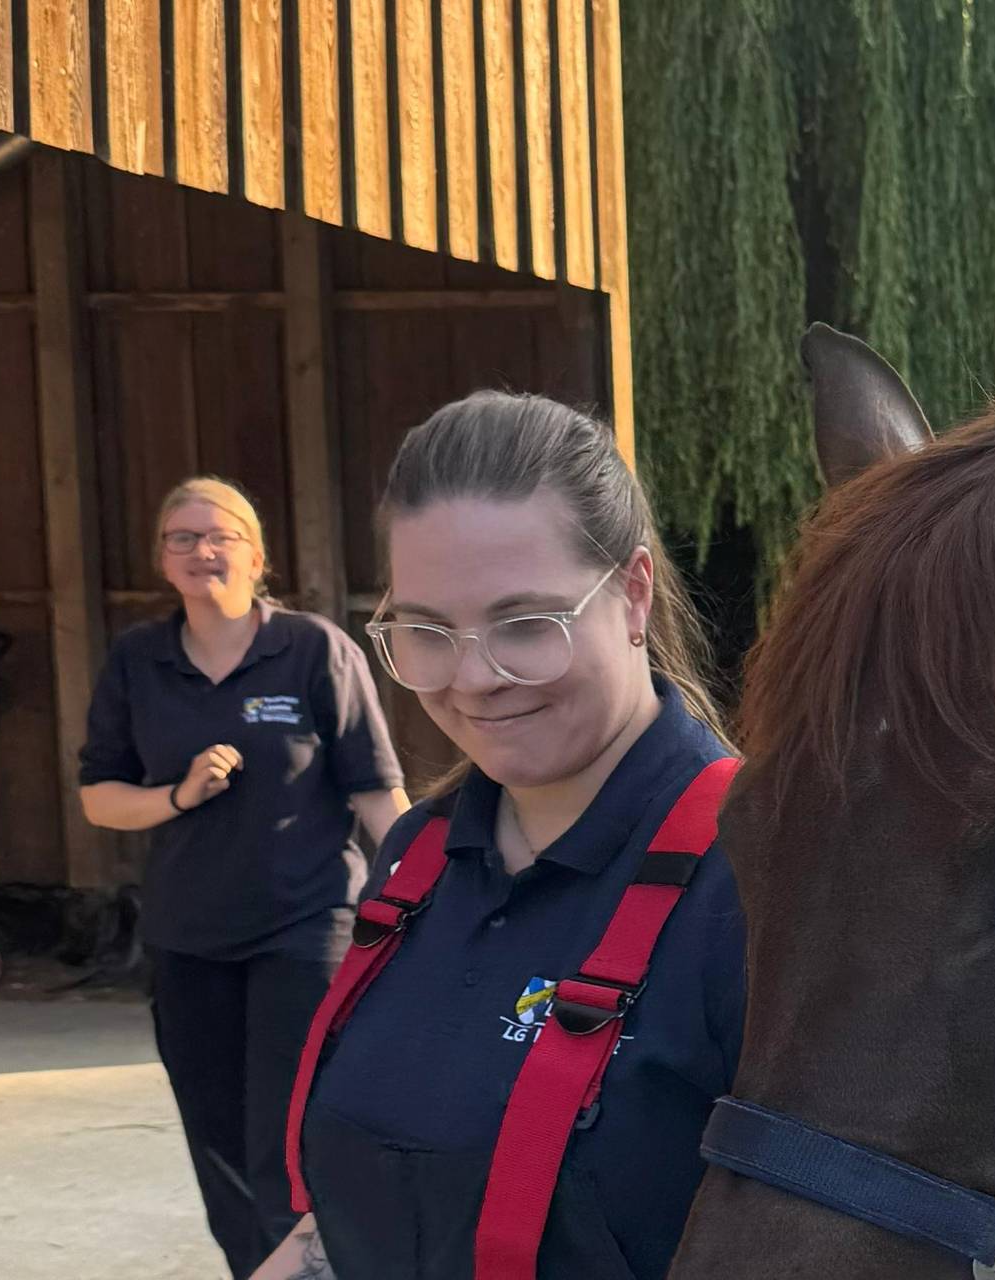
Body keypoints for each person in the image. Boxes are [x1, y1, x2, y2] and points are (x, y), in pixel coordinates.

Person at [256, 393, 743, 1279]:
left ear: (633, 595)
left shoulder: (762, 883)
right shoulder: (415, 861)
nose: (475, 680)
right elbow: (346, 1218)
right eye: (429, 632)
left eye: (526, 625)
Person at [77, 476, 410, 1277]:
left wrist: (423, 895)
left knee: (285, 1143)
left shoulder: (312, 649)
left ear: (256, 554)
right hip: (187, 936)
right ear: (163, 560)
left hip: (304, 927)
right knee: (217, 1145)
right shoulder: (138, 661)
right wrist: (178, 795)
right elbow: (99, 799)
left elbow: (374, 791)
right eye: (180, 538)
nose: (201, 550)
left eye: (218, 534)